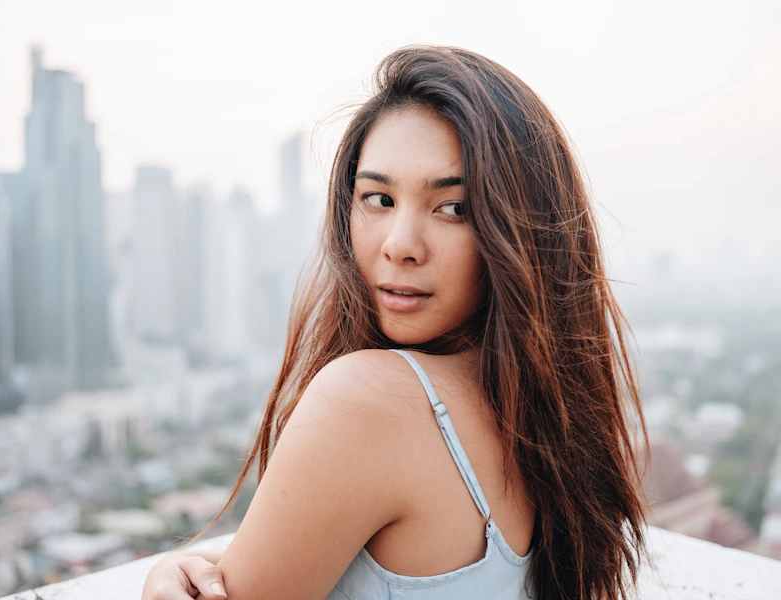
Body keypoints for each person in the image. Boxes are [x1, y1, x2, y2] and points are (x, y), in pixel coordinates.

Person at [142, 44, 651, 600]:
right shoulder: (552, 423)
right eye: (378, 198)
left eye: (454, 208)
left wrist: (159, 586)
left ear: (526, 230)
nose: (399, 245)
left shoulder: (368, 401)